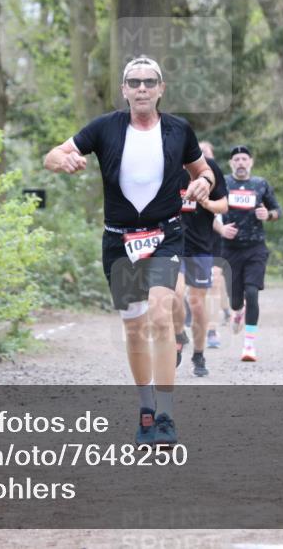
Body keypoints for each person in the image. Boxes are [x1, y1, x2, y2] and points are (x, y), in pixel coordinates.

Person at [43, 55, 214, 446]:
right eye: (133, 82)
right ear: (123, 89)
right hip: (118, 239)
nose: (141, 88)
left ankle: (167, 418)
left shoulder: (178, 130)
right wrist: (63, 160)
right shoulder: (105, 127)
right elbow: (51, 155)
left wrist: (204, 182)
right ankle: (146, 410)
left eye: (149, 82)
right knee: (135, 328)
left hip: (165, 234)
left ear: (160, 89)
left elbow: (203, 170)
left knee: (158, 313)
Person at [216, 145, 281, 362]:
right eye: (237, 159)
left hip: (255, 248)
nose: (241, 163)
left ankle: (249, 346)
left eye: (244, 159)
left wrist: (268, 214)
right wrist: (221, 229)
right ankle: (237, 312)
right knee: (235, 299)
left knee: (252, 293)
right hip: (230, 249)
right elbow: (210, 210)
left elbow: (277, 211)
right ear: (231, 164)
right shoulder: (223, 183)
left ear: (251, 162)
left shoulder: (260, 184)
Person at [172, 141, 228, 376]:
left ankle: (198, 354)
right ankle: (177, 337)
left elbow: (224, 205)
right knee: (174, 294)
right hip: (172, 244)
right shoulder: (169, 168)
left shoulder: (210, 169)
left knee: (196, 303)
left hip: (200, 246)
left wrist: (206, 203)